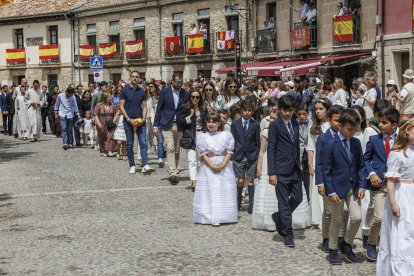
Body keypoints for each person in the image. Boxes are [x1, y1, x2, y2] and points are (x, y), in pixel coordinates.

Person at [323, 108, 366, 265]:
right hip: (336, 188)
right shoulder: (330, 144)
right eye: (349, 129)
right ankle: (333, 249)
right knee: (337, 219)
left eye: (354, 130)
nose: (352, 133)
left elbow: (361, 166)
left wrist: (362, 185)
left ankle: (346, 243)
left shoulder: (355, 143)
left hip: (353, 187)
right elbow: (326, 170)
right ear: (340, 126)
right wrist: (331, 191)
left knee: (357, 217)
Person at [376, 118, 414, 275]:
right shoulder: (397, 154)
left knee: (411, 230)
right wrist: (393, 203)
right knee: (401, 231)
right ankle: (399, 268)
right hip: (401, 194)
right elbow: (390, 181)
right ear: (407, 131)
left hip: (412, 193)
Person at [363, 107, 400, 262]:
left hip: (398, 184)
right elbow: (365, 160)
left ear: (394, 125)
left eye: (384, 122)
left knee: (396, 216)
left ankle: (393, 245)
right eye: (379, 122)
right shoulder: (374, 139)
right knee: (378, 217)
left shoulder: (402, 140)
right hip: (379, 184)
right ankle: (371, 243)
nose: (380, 125)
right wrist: (372, 174)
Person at [268, 94, 302, 247]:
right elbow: (271, 148)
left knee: (298, 197)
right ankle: (288, 234)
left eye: (290, 110)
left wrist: (299, 163)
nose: (287, 113)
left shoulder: (295, 123)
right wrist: (272, 172)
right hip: (280, 169)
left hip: (294, 168)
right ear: (279, 109)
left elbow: (295, 145)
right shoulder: (275, 125)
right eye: (284, 110)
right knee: (283, 202)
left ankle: (279, 217)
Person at [192, 112, 237, 226]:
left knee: (222, 189)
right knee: (210, 190)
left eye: (214, 122)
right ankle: (209, 216)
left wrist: (223, 165)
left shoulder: (226, 135)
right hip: (208, 166)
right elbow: (203, 154)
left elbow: (229, 152)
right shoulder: (202, 136)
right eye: (209, 122)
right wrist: (212, 166)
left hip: (224, 166)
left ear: (219, 123)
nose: (211, 124)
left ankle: (224, 215)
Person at [314, 105, 345, 252]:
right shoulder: (323, 138)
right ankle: (326, 237)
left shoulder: (346, 137)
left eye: (341, 120)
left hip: (342, 180)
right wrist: (320, 183)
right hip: (327, 180)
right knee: (328, 211)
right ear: (329, 120)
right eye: (336, 120)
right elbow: (319, 162)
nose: (339, 123)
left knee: (341, 211)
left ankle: (339, 237)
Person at [153, 73, 188, 183]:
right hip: (166, 124)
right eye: (177, 82)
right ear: (172, 81)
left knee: (177, 150)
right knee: (170, 148)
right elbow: (159, 109)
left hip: (179, 124)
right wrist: (155, 126)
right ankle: (172, 172)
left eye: (181, 82)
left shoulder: (185, 93)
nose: (179, 84)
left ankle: (175, 169)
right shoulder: (164, 92)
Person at [119, 72, 153, 173]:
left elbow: (145, 106)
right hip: (128, 121)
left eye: (137, 77)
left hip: (140, 120)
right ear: (130, 78)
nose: (135, 78)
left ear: (139, 79)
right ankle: (132, 165)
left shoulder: (142, 91)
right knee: (129, 144)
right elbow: (121, 106)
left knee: (143, 142)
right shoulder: (124, 90)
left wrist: (143, 118)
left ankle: (145, 164)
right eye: (133, 77)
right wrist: (128, 119)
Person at [231, 100, 261, 214]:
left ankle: (251, 206)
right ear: (241, 111)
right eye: (245, 110)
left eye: (249, 110)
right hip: (238, 156)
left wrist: (257, 154)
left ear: (252, 111)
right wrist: (233, 153)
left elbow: (257, 141)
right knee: (240, 180)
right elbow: (233, 140)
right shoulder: (235, 124)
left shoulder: (255, 124)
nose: (247, 113)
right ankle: (237, 203)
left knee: (250, 181)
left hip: (252, 156)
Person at [306, 98, 331, 227]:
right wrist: (310, 164)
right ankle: (319, 217)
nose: (318, 112)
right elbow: (310, 147)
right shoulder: (314, 127)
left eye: (321, 109)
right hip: (318, 159)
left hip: (331, 159)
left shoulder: (332, 125)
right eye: (316, 109)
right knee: (318, 190)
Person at [179, 89, 207, 192]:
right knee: (192, 160)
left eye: (197, 97)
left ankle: (199, 180)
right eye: (193, 97)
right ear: (190, 98)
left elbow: (207, 122)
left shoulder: (203, 108)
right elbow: (180, 123)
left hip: (201, 136)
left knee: (201, 161)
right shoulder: (185, 108)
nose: (195, 99)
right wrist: (189, 116)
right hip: (190, 136)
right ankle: (194, 182)